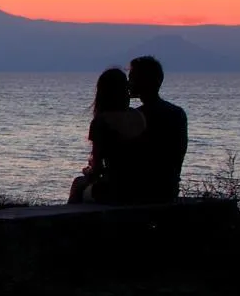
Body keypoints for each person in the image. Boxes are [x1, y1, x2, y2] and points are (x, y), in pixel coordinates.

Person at [67, 67, 146, 204]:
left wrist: (89, 171)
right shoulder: (138, 116)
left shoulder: (101, 122)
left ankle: (69, 222)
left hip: (115, 190)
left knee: (78, 184)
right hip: (142, 187)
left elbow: (97, 169)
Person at [126, 55, 189, 203]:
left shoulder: (137, 116)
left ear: (144, 81)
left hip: (141, 191)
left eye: (132, 78)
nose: (128, 83)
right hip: (168, 189)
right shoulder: (177, 113)